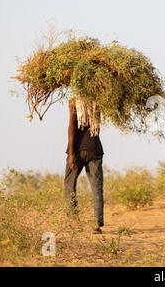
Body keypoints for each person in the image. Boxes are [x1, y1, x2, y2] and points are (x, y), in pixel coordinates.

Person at [64, 98, 105, 234]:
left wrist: (71, 154)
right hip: (95, 148)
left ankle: (73, 221)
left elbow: (72, 128)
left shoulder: (74, 101)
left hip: (77, 150)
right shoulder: (99, 101)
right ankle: (97, 223)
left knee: (70, 186)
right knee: (96, 186)